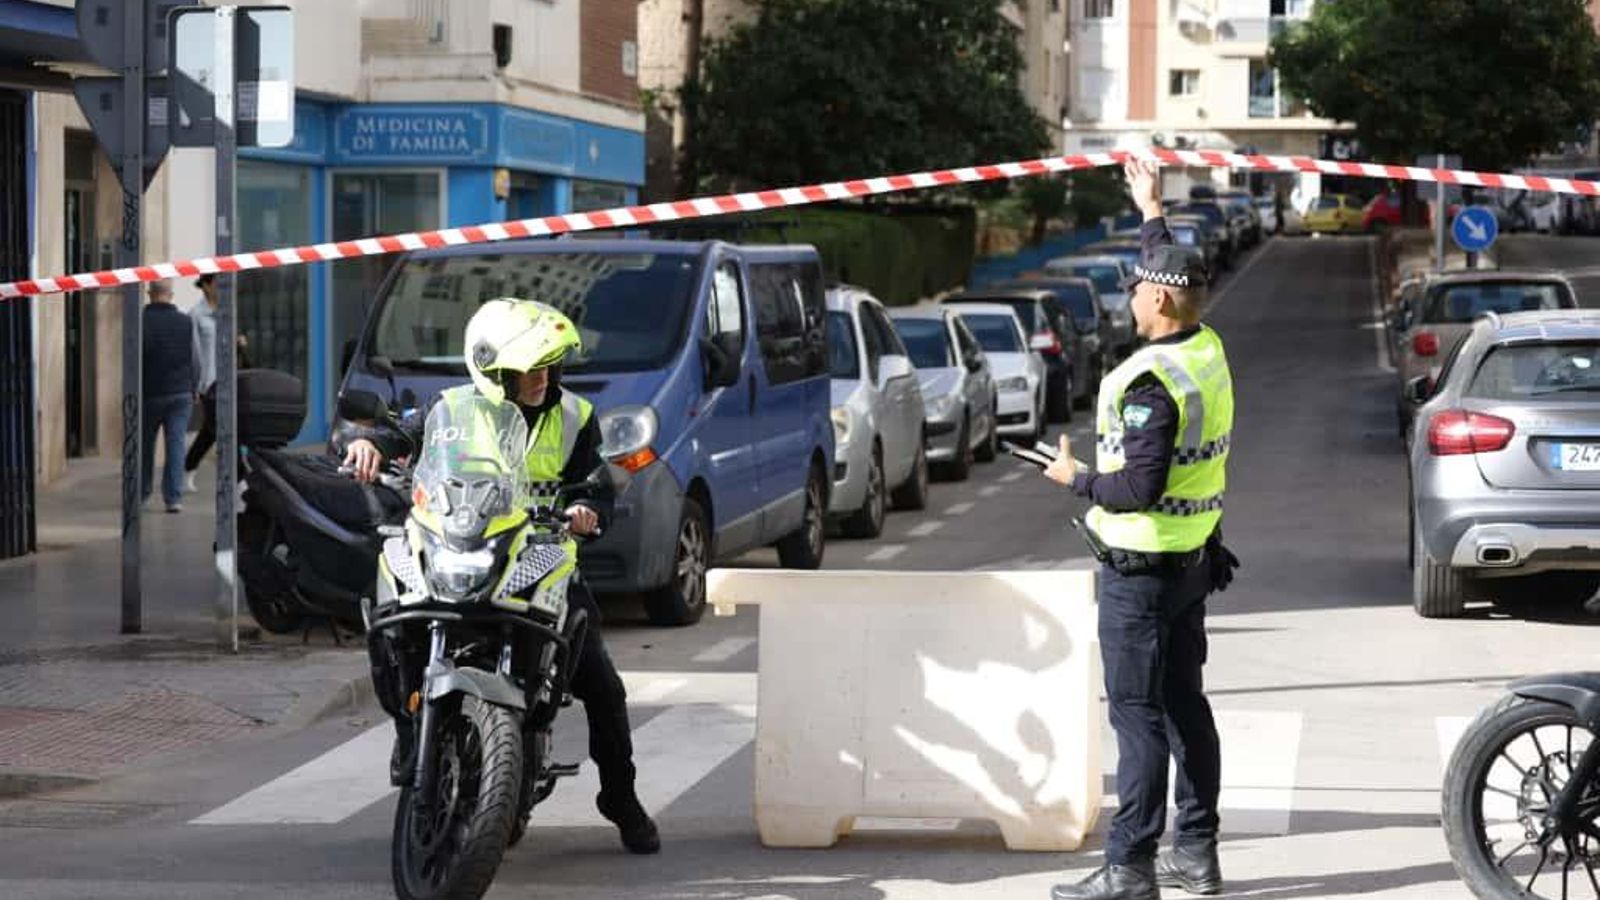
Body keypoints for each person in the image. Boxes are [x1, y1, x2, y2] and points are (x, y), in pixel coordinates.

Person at [340, 298, 661, 856]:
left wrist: (588, 511)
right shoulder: (452, 406)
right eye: (526, 368)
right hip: (464, 546)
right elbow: (405, 437)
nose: (540, 378)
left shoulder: (576, 418)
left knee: (603, 687)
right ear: (491, 370)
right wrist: (370, 444)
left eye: (546, 365)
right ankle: (409, 731)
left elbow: (595, 486)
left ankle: (620, 796)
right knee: (393, 625)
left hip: (540, 562)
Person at [1043, 159, 1241, 900]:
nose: (1128, 297)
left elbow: (1137, 488)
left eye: (1135, 287)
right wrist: (1150, 208)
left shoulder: (1150, 383)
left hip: (1142, 566)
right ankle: (1196, 852)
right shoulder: (1204, 348)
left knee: (1137, 717)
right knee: (1185, 702)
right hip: (1191, 562)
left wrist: (1076, 480)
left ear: (1158, 297)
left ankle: (1129, 866)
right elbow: (1166, 262)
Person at [184, 273, 251, 492]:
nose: (221, 288)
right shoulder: (195, 314)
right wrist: (194, 385)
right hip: (208, 382)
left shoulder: (226, 311)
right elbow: (192, 352)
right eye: (216, 283)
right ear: (205, 285)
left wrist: (238, 341)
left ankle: (188, 468)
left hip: (228, 379)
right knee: (221, 429)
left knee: (214, 430)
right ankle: (239, 478)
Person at [141, 280, 203, 513]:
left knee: (145, 446)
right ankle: (173, 498)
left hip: (149, 393)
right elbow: (196, 358)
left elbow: (133, 358)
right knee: (175, 445)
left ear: (150, 294)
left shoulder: (141, 321)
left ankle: (142, 493)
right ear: (171, 295)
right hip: (180, 393)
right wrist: (194, 387)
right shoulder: (185, 321)